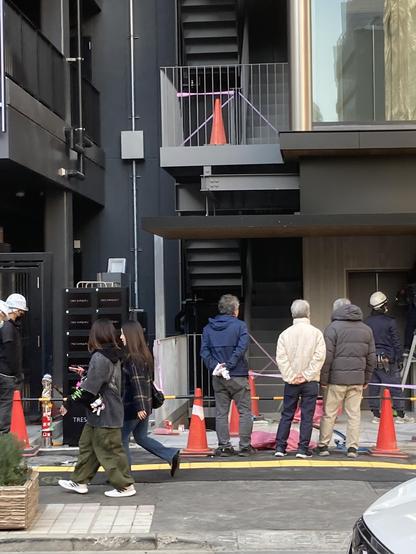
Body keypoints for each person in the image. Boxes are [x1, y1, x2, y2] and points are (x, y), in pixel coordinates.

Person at [58, 318, 136, 498]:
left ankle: (124, 485)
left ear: (96, 335)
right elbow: (101, 381)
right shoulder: (113, 355)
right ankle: (80, 481)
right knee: (88, 446)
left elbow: (89, 389)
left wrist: (69, 400)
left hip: (105, 412)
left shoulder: (100, 357)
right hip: (103, 411)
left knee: (109, 450)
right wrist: (85, 374)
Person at [120, 320, 180, 476]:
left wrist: (139, 407)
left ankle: (124, 476)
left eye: (122, 333)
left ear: (130, 336)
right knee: (140, 437)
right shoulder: (144, 356)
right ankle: (170, 454)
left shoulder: (132, 359)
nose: (120, 337)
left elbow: (138, 384)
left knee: (122, 439)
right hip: (145, 406)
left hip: (133, 407)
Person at [318, 298, 376, 458]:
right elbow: (371, 357)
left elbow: (327, 357)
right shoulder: (366, 329)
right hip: (357, 380)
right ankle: (352, 448)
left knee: (329, 413)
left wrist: (323, 380)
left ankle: (323, 446)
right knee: (354, 414)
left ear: (336, 310)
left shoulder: (332, 328)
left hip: (336, 380)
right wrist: (366, 379)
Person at [200, 294, 253, 457]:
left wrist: (216, 366)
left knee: (221, 413)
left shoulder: (208, 328)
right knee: (244, 411)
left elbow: (204, 351)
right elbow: (242, 347)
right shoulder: (240, 326)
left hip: (218, 376)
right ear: (235, 311)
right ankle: (244, 446)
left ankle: (224, 446)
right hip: (237, 374)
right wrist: (229, 365)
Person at [274, 299, 326, 459]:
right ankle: (303, 449)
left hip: (291, 382)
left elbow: (281, 358)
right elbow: (319, 356)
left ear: (292, 314)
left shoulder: (285, 334)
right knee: (307, 416)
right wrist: (307, 375)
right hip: (310, 382)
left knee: (287, 414)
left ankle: (280, 448)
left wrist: (291, 376)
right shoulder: (316, 333)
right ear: (308, 313)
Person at [365, 291, 414, 424]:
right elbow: (396, 342)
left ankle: (376, 415)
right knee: (395, 387)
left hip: (372, 359)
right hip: (388, 360)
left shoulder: (366, 322)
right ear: (383, 306)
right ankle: (400, 415)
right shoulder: (390, 321)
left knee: (373, 387)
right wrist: (398, 359)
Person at [0, 300, 13, 434]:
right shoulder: (5, 328)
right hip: (4, 371)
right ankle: (3, 433)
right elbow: (9, 350)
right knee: (5, 402)